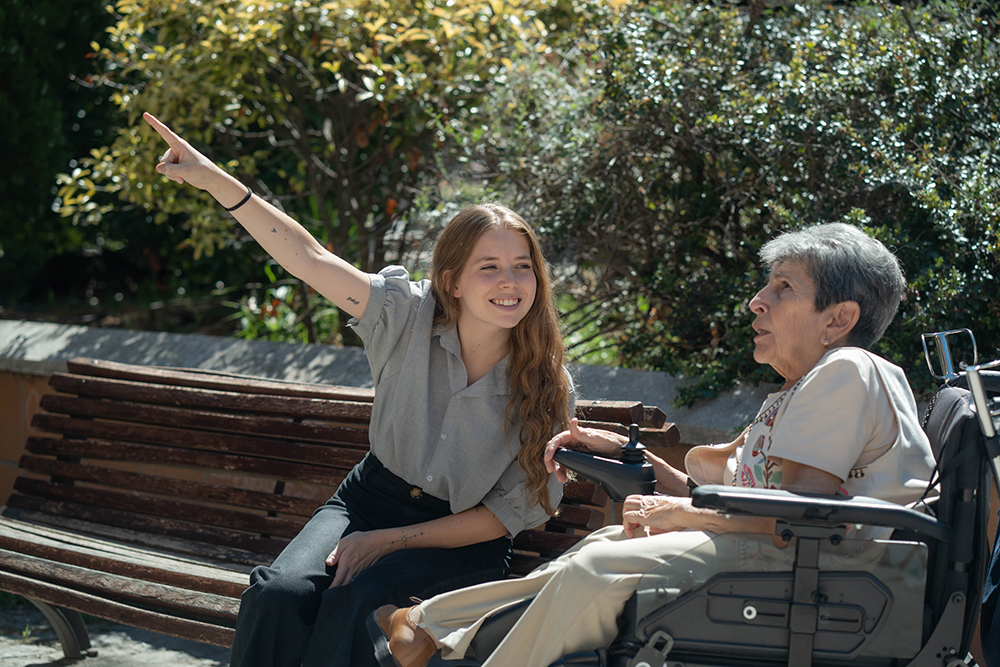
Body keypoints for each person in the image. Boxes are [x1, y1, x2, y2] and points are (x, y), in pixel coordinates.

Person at [369, 222, 936, 667]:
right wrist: (629, 457)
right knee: (598, 548)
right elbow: (732, 498)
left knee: (600, 571)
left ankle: (426, 629)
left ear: (838, 318)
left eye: (783, 288)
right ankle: (422, 626)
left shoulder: (849, 371)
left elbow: (799, 516)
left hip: (829, 578)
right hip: (789, 562)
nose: (756, 301)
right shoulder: (803, 387)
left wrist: (676, 512)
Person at [141, 113, 574, 667]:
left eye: (522, 266)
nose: (510, 282)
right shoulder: (406, 317)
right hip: (368, 502)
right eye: (488, 267)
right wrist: (213, 179)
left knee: (354, 602)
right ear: (453, 282)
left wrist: (392, 542)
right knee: (279, 596)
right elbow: (310, 258)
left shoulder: (546, 384)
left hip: (461, 540)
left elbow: (504, 515)